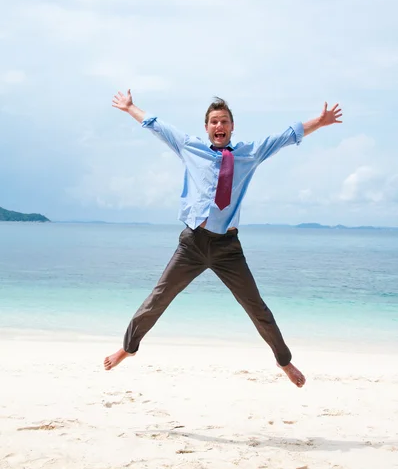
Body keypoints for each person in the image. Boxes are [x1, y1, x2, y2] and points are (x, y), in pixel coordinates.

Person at [104, 91, 342, 387]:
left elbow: (286, 136)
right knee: (158, 298)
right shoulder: (190, 147)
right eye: (214, 121)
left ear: (232, 127)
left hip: (228, 248)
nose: (219, 126)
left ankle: (284, 361)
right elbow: (156, 125)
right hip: (192, 244)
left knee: (257, 308)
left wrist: (319, 122)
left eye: (224, 121)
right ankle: (128, 348)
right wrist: (129, 108)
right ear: (207, 127)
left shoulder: (249, 153)